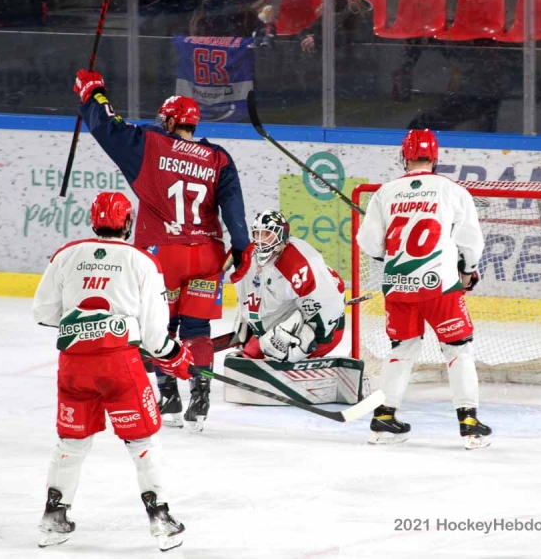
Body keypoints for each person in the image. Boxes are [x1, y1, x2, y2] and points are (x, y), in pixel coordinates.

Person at [73, 70, 250, 431]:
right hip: (206, 254)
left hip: (162, 256)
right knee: (198, 329)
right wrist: (242, 247)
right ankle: (200, 398)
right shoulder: (217, 157)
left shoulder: (151, 144)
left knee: (161, 327)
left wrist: (94, 94)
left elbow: (109, 129)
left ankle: (168, 398)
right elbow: (233, 208)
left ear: (169, 120)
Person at [32, 192, 193, 552]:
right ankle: (162, 520)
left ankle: (54, 518)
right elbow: (154, 335)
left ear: (94, 220)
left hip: (74, 366)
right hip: (120, 366)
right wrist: (175, 356)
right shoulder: (141, 261)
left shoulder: (67, 254)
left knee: (70, 443)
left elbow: (43, 312)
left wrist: (85, 327)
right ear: (128, 223)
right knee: (142, 443)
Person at [356, 129, 492, 449]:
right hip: (439, 285)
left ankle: (384, 416)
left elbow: (369, 243)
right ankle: (469, 421)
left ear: (404, 156)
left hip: (398, 285)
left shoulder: (386, 192)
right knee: (457, 349)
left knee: (401, 350)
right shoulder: (452, 191)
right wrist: (468, 271)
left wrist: (387, 253)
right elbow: (471, 242)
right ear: (435, 157)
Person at [228, 209, 346, 362]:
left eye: (267, 234)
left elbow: (328, 305)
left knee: (271, 357)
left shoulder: (300, 262)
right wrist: (246, 320)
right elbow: (249, 292)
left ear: (281, 235)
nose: (260, 241)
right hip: (274, 329)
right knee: (249, 359)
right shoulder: (249, 256)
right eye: (257, 234)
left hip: (321, 332)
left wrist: (301, 346)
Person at [298, 0, 374, 55]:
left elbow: (358, 36)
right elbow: (308, 31)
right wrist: (305, 38)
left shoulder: (361, 10)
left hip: (356, 57)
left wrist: (321, 40)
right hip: (333, 57)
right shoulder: (330, 12)